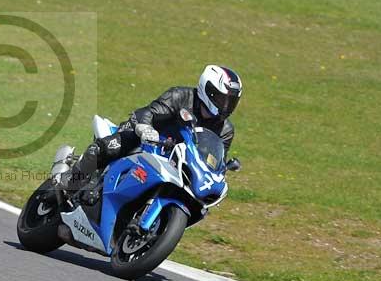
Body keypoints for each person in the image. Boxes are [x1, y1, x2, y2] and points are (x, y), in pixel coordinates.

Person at [55, 65, 242, 192]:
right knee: (109, 147)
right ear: (207, 90)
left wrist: (220, 170)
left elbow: (215, 159)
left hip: (176, 161)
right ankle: (70, 179)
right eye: (221, 99)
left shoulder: (225, 130)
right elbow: (150, 112)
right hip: (146, 137)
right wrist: (145, 128)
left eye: (231, 102)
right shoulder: (180, 96)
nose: (226, 106)